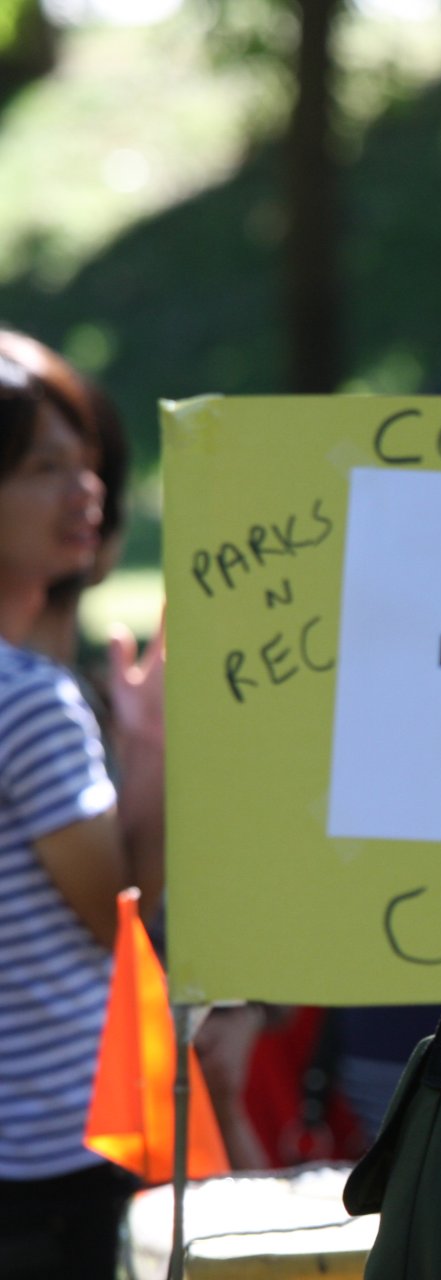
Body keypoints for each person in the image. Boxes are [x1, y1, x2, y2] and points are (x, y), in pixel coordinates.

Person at [0, 348, 158, 1279]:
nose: (87, 490)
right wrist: (161, 744)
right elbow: (119, 910)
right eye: (42, 469)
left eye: (84, 461)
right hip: (51, 1143)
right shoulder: (29, 699)